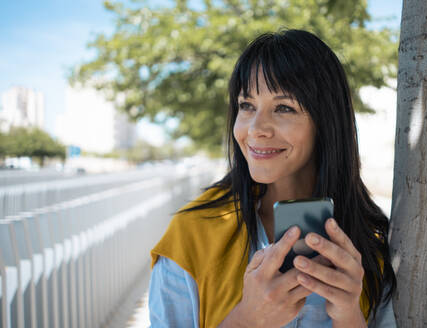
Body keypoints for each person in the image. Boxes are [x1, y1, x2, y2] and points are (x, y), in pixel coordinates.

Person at [148, 29, 397, 328]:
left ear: (326, 122)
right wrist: (245, 320)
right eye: (247, 106)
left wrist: (349, 316)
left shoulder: (369, 246)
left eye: (283, 108)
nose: (256, 128)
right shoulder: (192, 234)